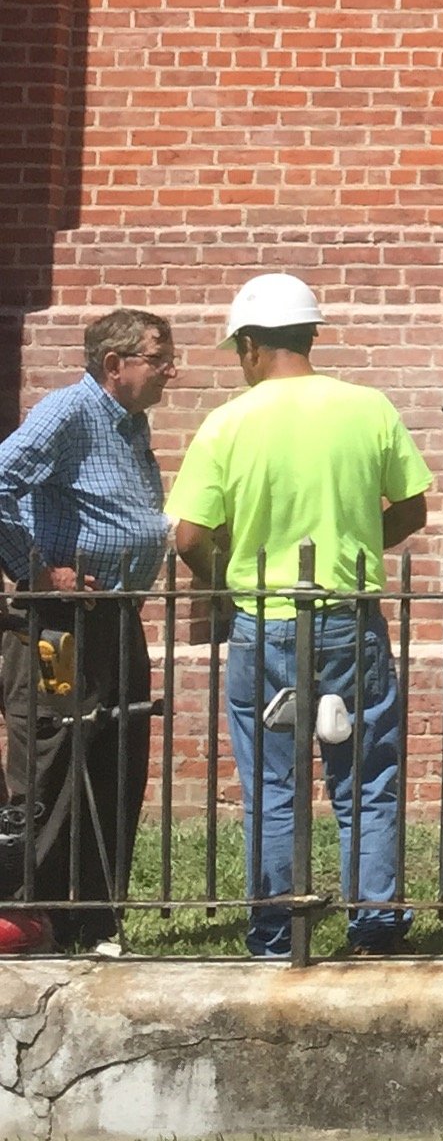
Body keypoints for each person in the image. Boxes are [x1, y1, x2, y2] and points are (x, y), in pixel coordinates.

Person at [166, 274, 432, 958]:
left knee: (271, 786)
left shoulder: (229, 421)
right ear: (312, 336)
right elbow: (411, 508)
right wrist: (358, 543)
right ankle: (374, 926)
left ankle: (278, 933)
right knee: (366, 777)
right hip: (348, 616)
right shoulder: (367, 408)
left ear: (249, 344)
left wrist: (231, 585)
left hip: (263, 622)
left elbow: (190, 536)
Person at [0, 308, 179, 948]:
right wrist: (35, 570)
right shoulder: (68, 412)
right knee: (54, 763)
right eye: (159, 358)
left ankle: (95, 916)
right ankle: (29, 916)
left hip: (115, 615)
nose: (171, 370)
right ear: (115, 365)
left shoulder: (130, 424)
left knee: (115, 758)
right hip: (60, 624)